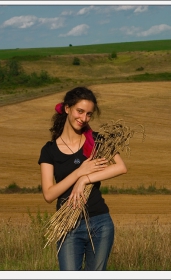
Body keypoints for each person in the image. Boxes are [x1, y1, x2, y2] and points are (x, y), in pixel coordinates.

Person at [38, 86, 127, 270]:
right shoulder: (49, 150)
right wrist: (79, 172)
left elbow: (121, 167)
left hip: (100, 222)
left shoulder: (96, 140)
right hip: (68, 227)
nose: (84, 118)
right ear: (67, 108)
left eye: (88, 114)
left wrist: (84, 180)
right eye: (80, 111)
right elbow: (48, 194)